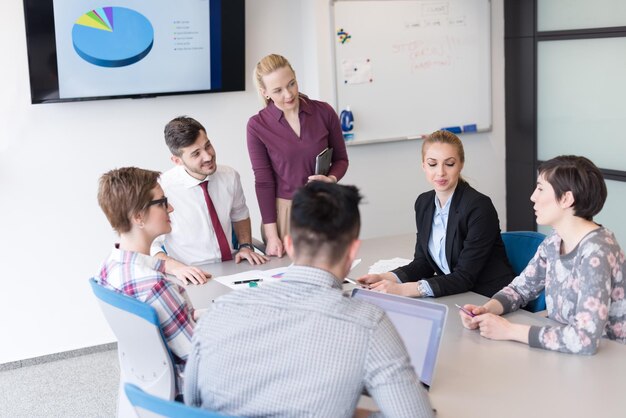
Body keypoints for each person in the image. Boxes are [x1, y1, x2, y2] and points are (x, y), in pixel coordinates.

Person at [184, 182, 434, 418]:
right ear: (352, 250)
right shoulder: (368, 324)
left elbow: (191, 404)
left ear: (290, 245)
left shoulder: (220, 310)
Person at [459, 155, 626, 354]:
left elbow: (584, 339)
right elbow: (520, 289)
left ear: (566, 198)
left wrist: (509, 330)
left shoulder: (597, 251)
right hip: (565, 353)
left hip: (608, 360)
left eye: (540, 189)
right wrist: (486, 310)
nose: (533, 197)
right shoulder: (555, 241)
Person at [358, 130, 514, 298]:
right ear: (423, 165)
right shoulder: (424, 203)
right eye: (433, 164)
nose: (440, 172)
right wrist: (385, 278)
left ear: (461, 164)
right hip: (453, 294)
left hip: (488, 297)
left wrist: (402, 290)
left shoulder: (478, 207)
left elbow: (464, 277)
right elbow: (423, 263)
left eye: (449, 163)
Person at [96, 167, 200, 392]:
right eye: (162, 202)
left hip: (149, 384)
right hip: (190, 387)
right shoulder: (155, 286)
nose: (170, 208)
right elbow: (200, 359)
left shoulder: (109, 268)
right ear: (139, 217)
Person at [247, 53, 349, 257]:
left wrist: (330, 179)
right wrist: (272, 235)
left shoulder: (324, 112)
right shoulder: (257, 126)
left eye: (291, 83)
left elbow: (341, 159)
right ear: (265, 92)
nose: (288, 94)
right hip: (286, 214)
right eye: (278, 90)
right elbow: (264, 182)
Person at [151, 116, 268, 284]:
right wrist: (176, 268)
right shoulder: (162, 189)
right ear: (177, 160)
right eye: (196, 154)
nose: (208, 156)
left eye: (208, 146)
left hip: (234, 267)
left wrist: (245, 246)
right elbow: (152, 245)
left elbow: (239, 214)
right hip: (193, 275)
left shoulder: (229, 176)